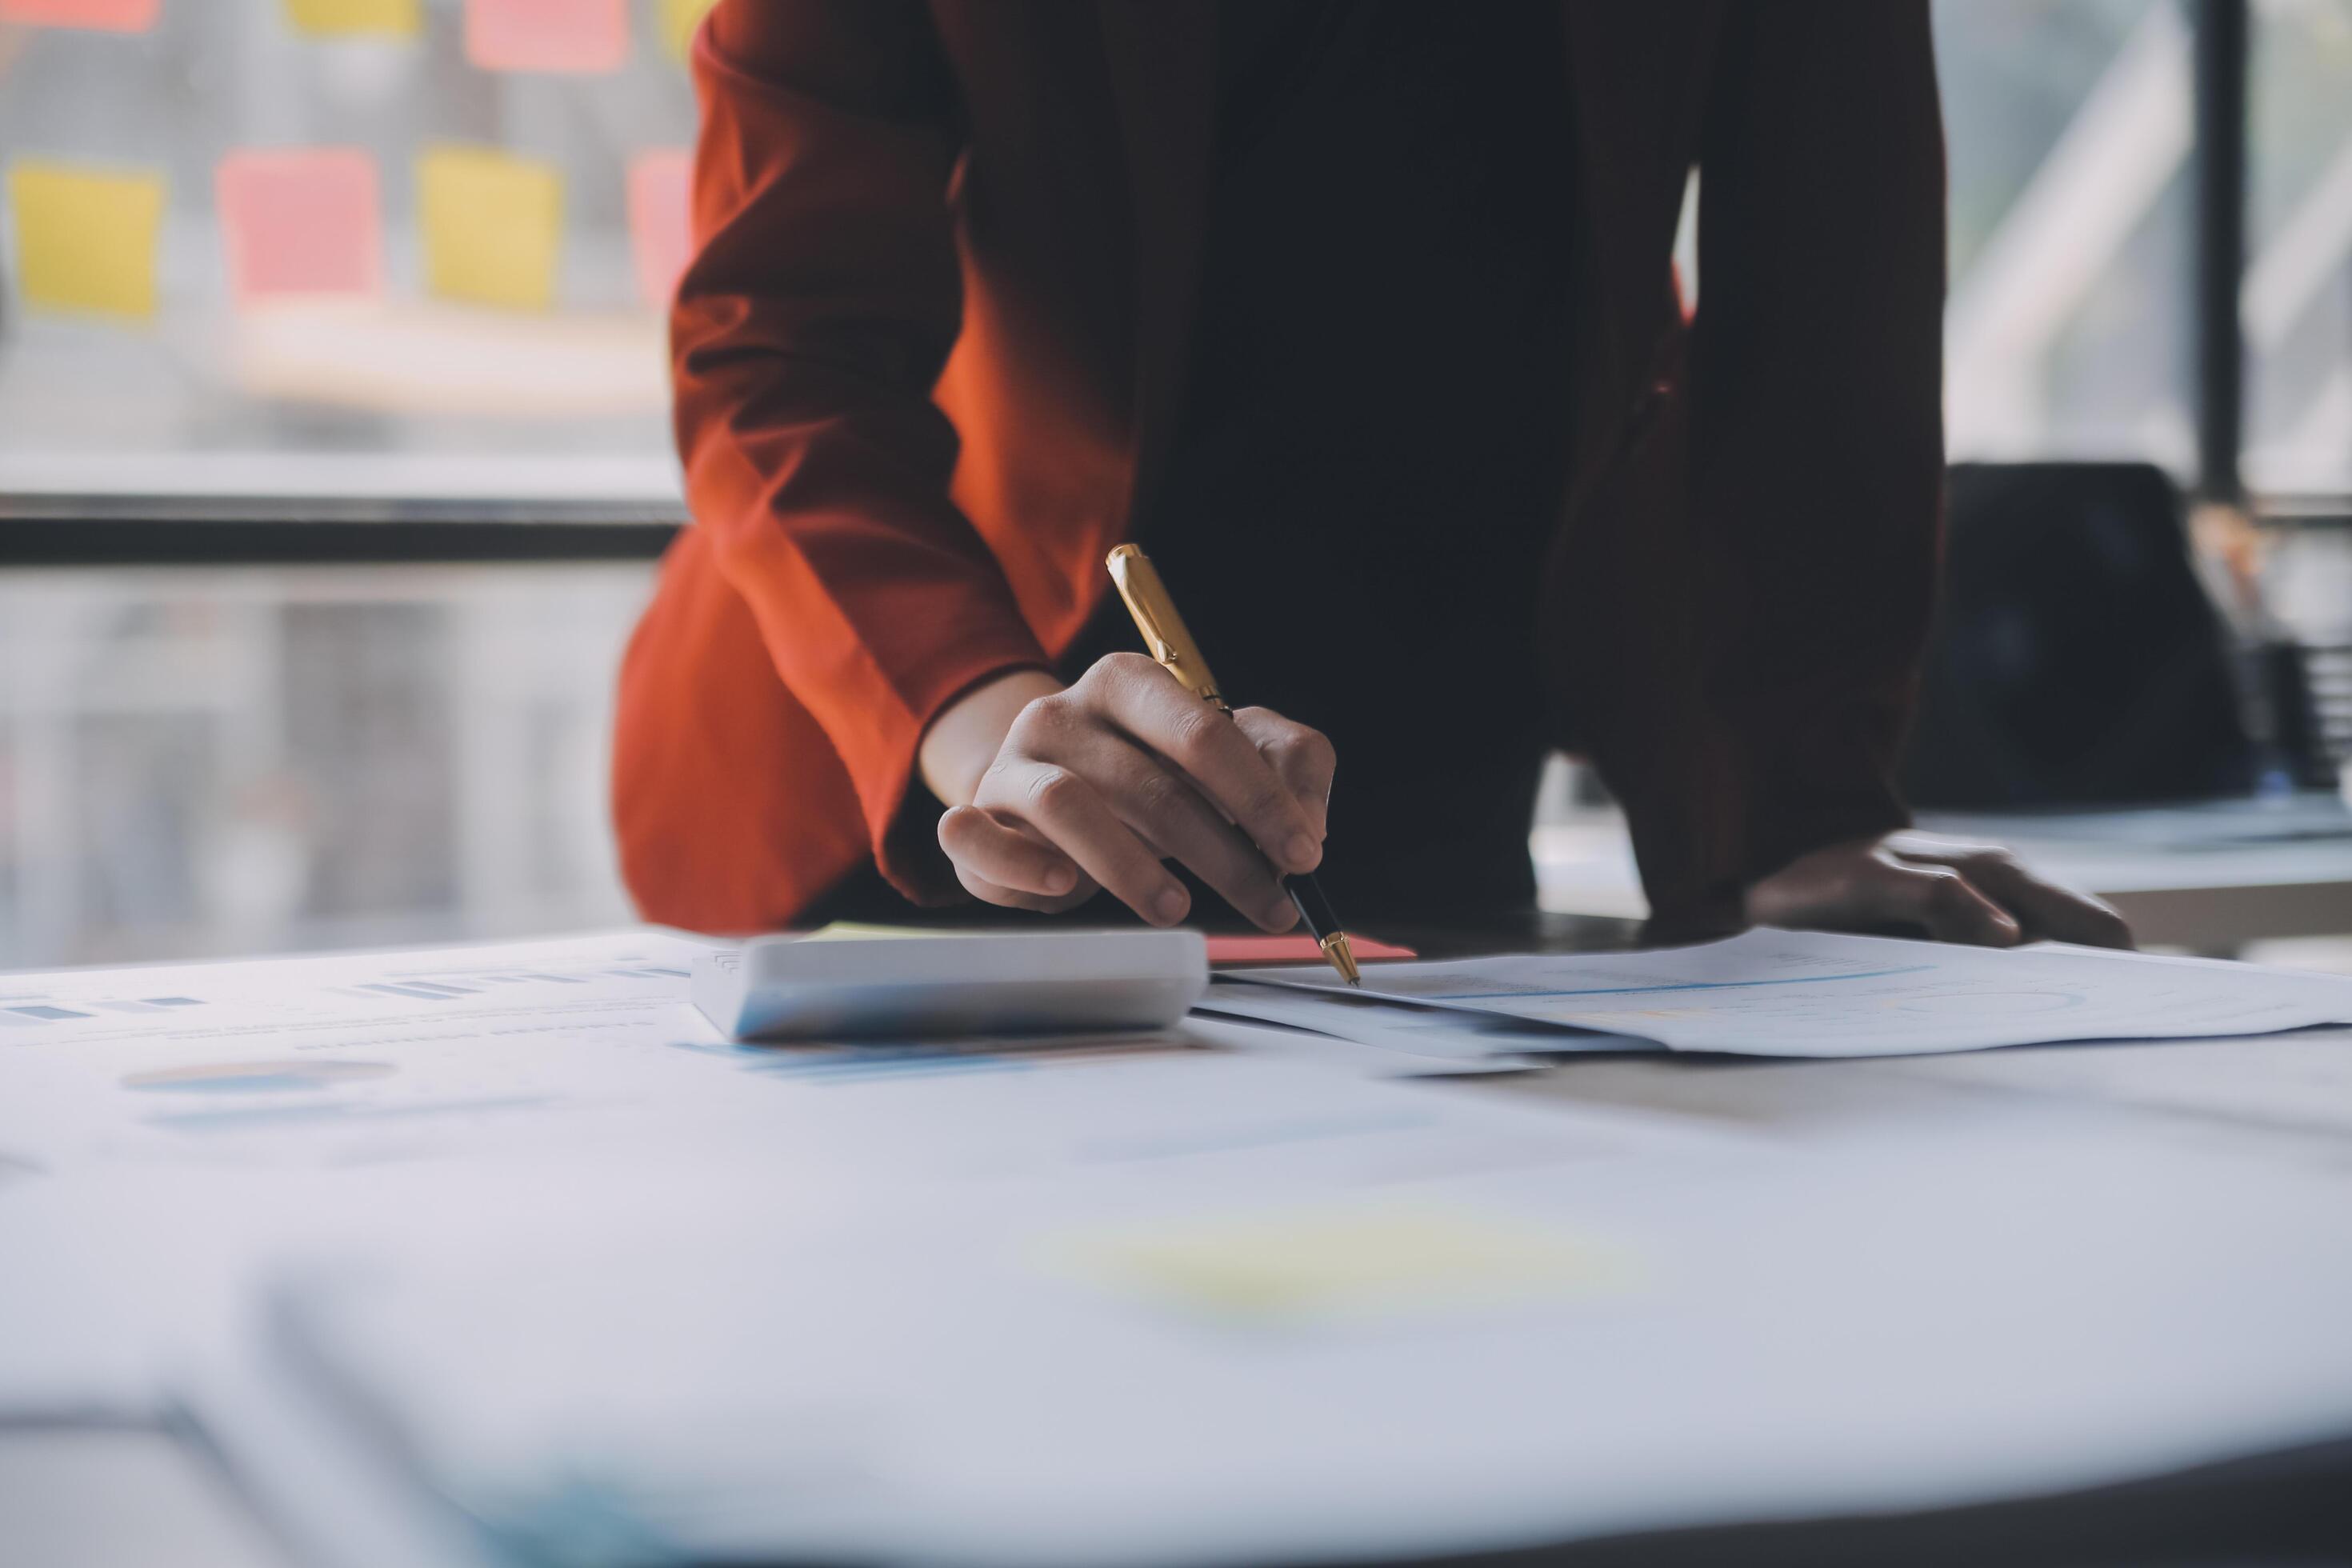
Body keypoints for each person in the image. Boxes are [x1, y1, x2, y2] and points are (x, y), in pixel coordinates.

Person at [613, 1, 2130, 950]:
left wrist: (1799, 813)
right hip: (928, 788)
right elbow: (779, 352)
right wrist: (977, 716)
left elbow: (1825, 317)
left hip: (1418, 777)